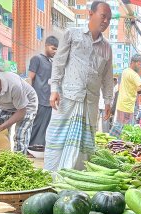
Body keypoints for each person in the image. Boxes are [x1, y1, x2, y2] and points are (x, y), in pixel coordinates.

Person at [44, 1, 113, 171]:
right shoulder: (72, 34)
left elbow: (107, 77)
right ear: (90, 14)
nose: (105, 21)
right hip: (68, 98)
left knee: (85, 143)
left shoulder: (107, 48)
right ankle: (52, 176)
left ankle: (77, 179)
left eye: (109, 19)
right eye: (103, 16)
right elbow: (58, 63)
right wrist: (54, 90)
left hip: (91, 102)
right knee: (57, 137)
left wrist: (108, 101)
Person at [27, 36, 59, 149]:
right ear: (46, 45)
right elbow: (30, 78)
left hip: (49, 100)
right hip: (38, 100)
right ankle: (28, 148)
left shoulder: (52, 63)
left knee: (45, 128)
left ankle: (38, 149)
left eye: (56, 49)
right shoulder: (37, 59)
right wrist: (29, 98)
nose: (55, 51)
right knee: (34, 126)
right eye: (53, 48)